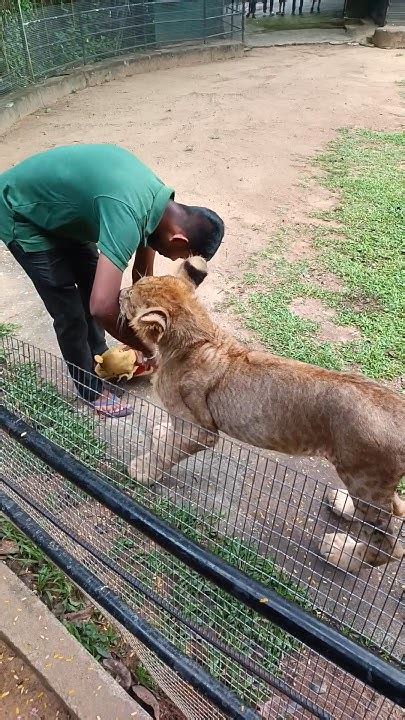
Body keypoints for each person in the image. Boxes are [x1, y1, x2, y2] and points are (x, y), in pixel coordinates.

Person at [0, 144, 224, 417]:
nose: (175, 259)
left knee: (93, 281)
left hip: (62, 214)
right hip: (20, 212)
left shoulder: (159, 208)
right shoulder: (127, 213)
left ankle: (98, 358)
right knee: (70, 311)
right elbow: (102, 307)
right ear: (179, 238)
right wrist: (153, 350)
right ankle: (89, 389)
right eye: (180, 255)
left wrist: (136, 338)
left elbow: (142, 276)